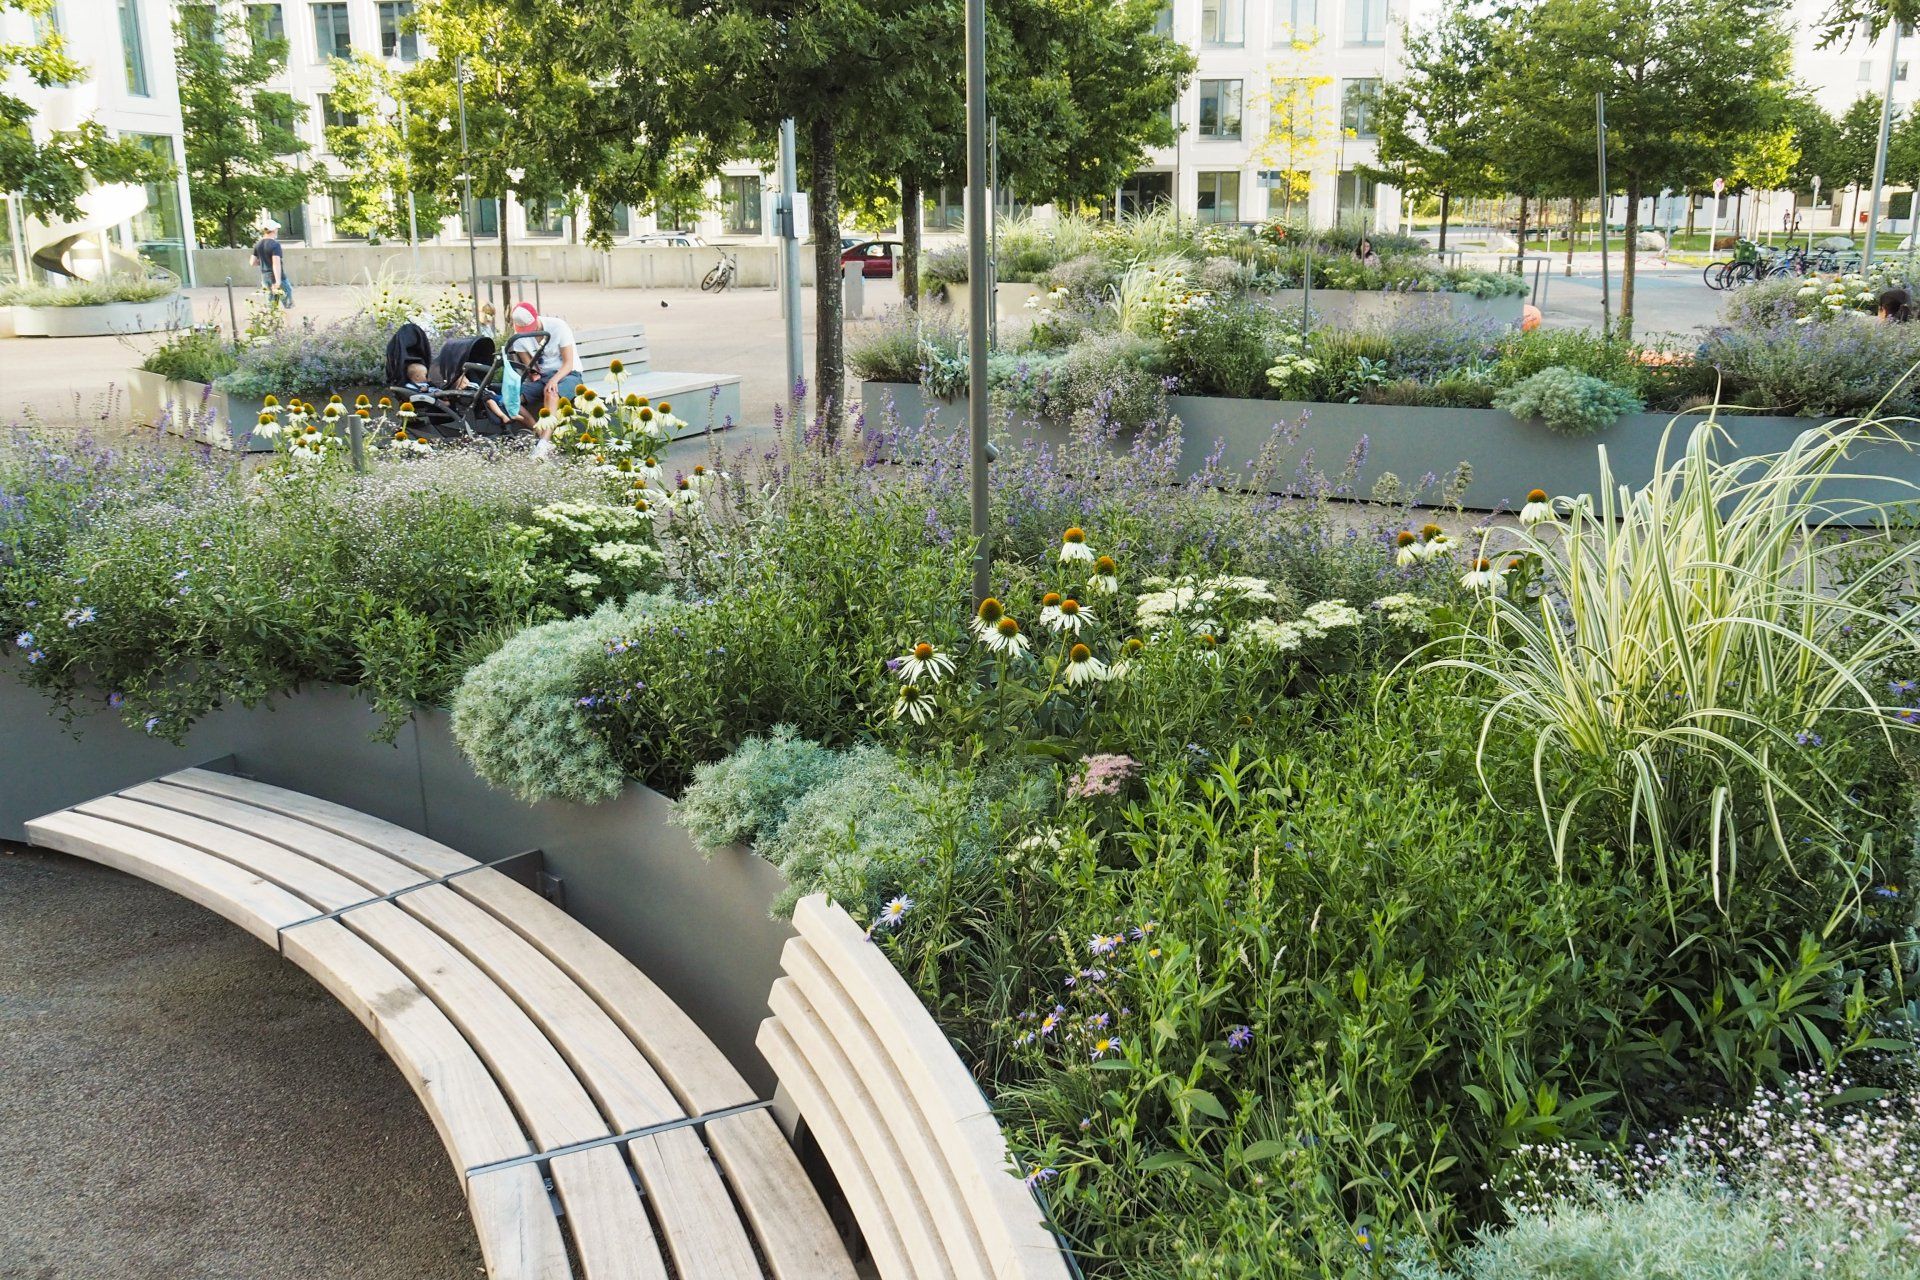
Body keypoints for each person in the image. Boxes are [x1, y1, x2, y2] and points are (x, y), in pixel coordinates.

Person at [505, 302, 581, 426]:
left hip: (568, 374)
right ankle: (537, 431)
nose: (527, 331)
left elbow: (568, 364)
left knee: (551, 393)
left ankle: (544, 442)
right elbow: (530, 367)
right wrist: (534, 374)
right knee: (510, 398)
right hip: (543, 378)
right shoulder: (518, 337)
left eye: (529, 327)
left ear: (536, 317)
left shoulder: (558, 326)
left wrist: (554, 380)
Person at [403, 361, 517, 429]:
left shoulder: (427, 383)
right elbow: (421, 394)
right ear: (417, 377)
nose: (428, 377)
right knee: (488, 398)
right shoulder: (415, 387)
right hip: (435, 399)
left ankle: (508, 410)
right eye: (425, 375)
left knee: (493, 396)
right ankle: (504, 414)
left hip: (442, 396)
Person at [253, 220, 292, 309]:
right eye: (276, 229)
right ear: (273, 230)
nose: (277, 230)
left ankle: (272, 318)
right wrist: (278, 281)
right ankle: (288, 318)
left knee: (271, 302)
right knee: (288, 299)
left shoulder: (258, 244)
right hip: (278, 277)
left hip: (265, 277)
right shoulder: (275, 245)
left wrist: (264, 261)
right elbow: (276, 263)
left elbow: (252, 262)